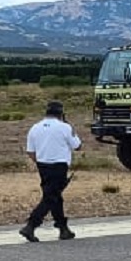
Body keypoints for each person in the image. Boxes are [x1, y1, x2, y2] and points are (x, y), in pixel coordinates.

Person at [20, 99, 82, 242]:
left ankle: (63, 228)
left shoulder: (35, 127)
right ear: (61, 113)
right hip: (59, 165)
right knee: (51, 197)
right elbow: (77, 146)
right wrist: (70, 127)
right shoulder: (64, 127)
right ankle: (31, 225)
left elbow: (30, 152)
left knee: (55, 196)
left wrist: (40, 161)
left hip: (42, 165)